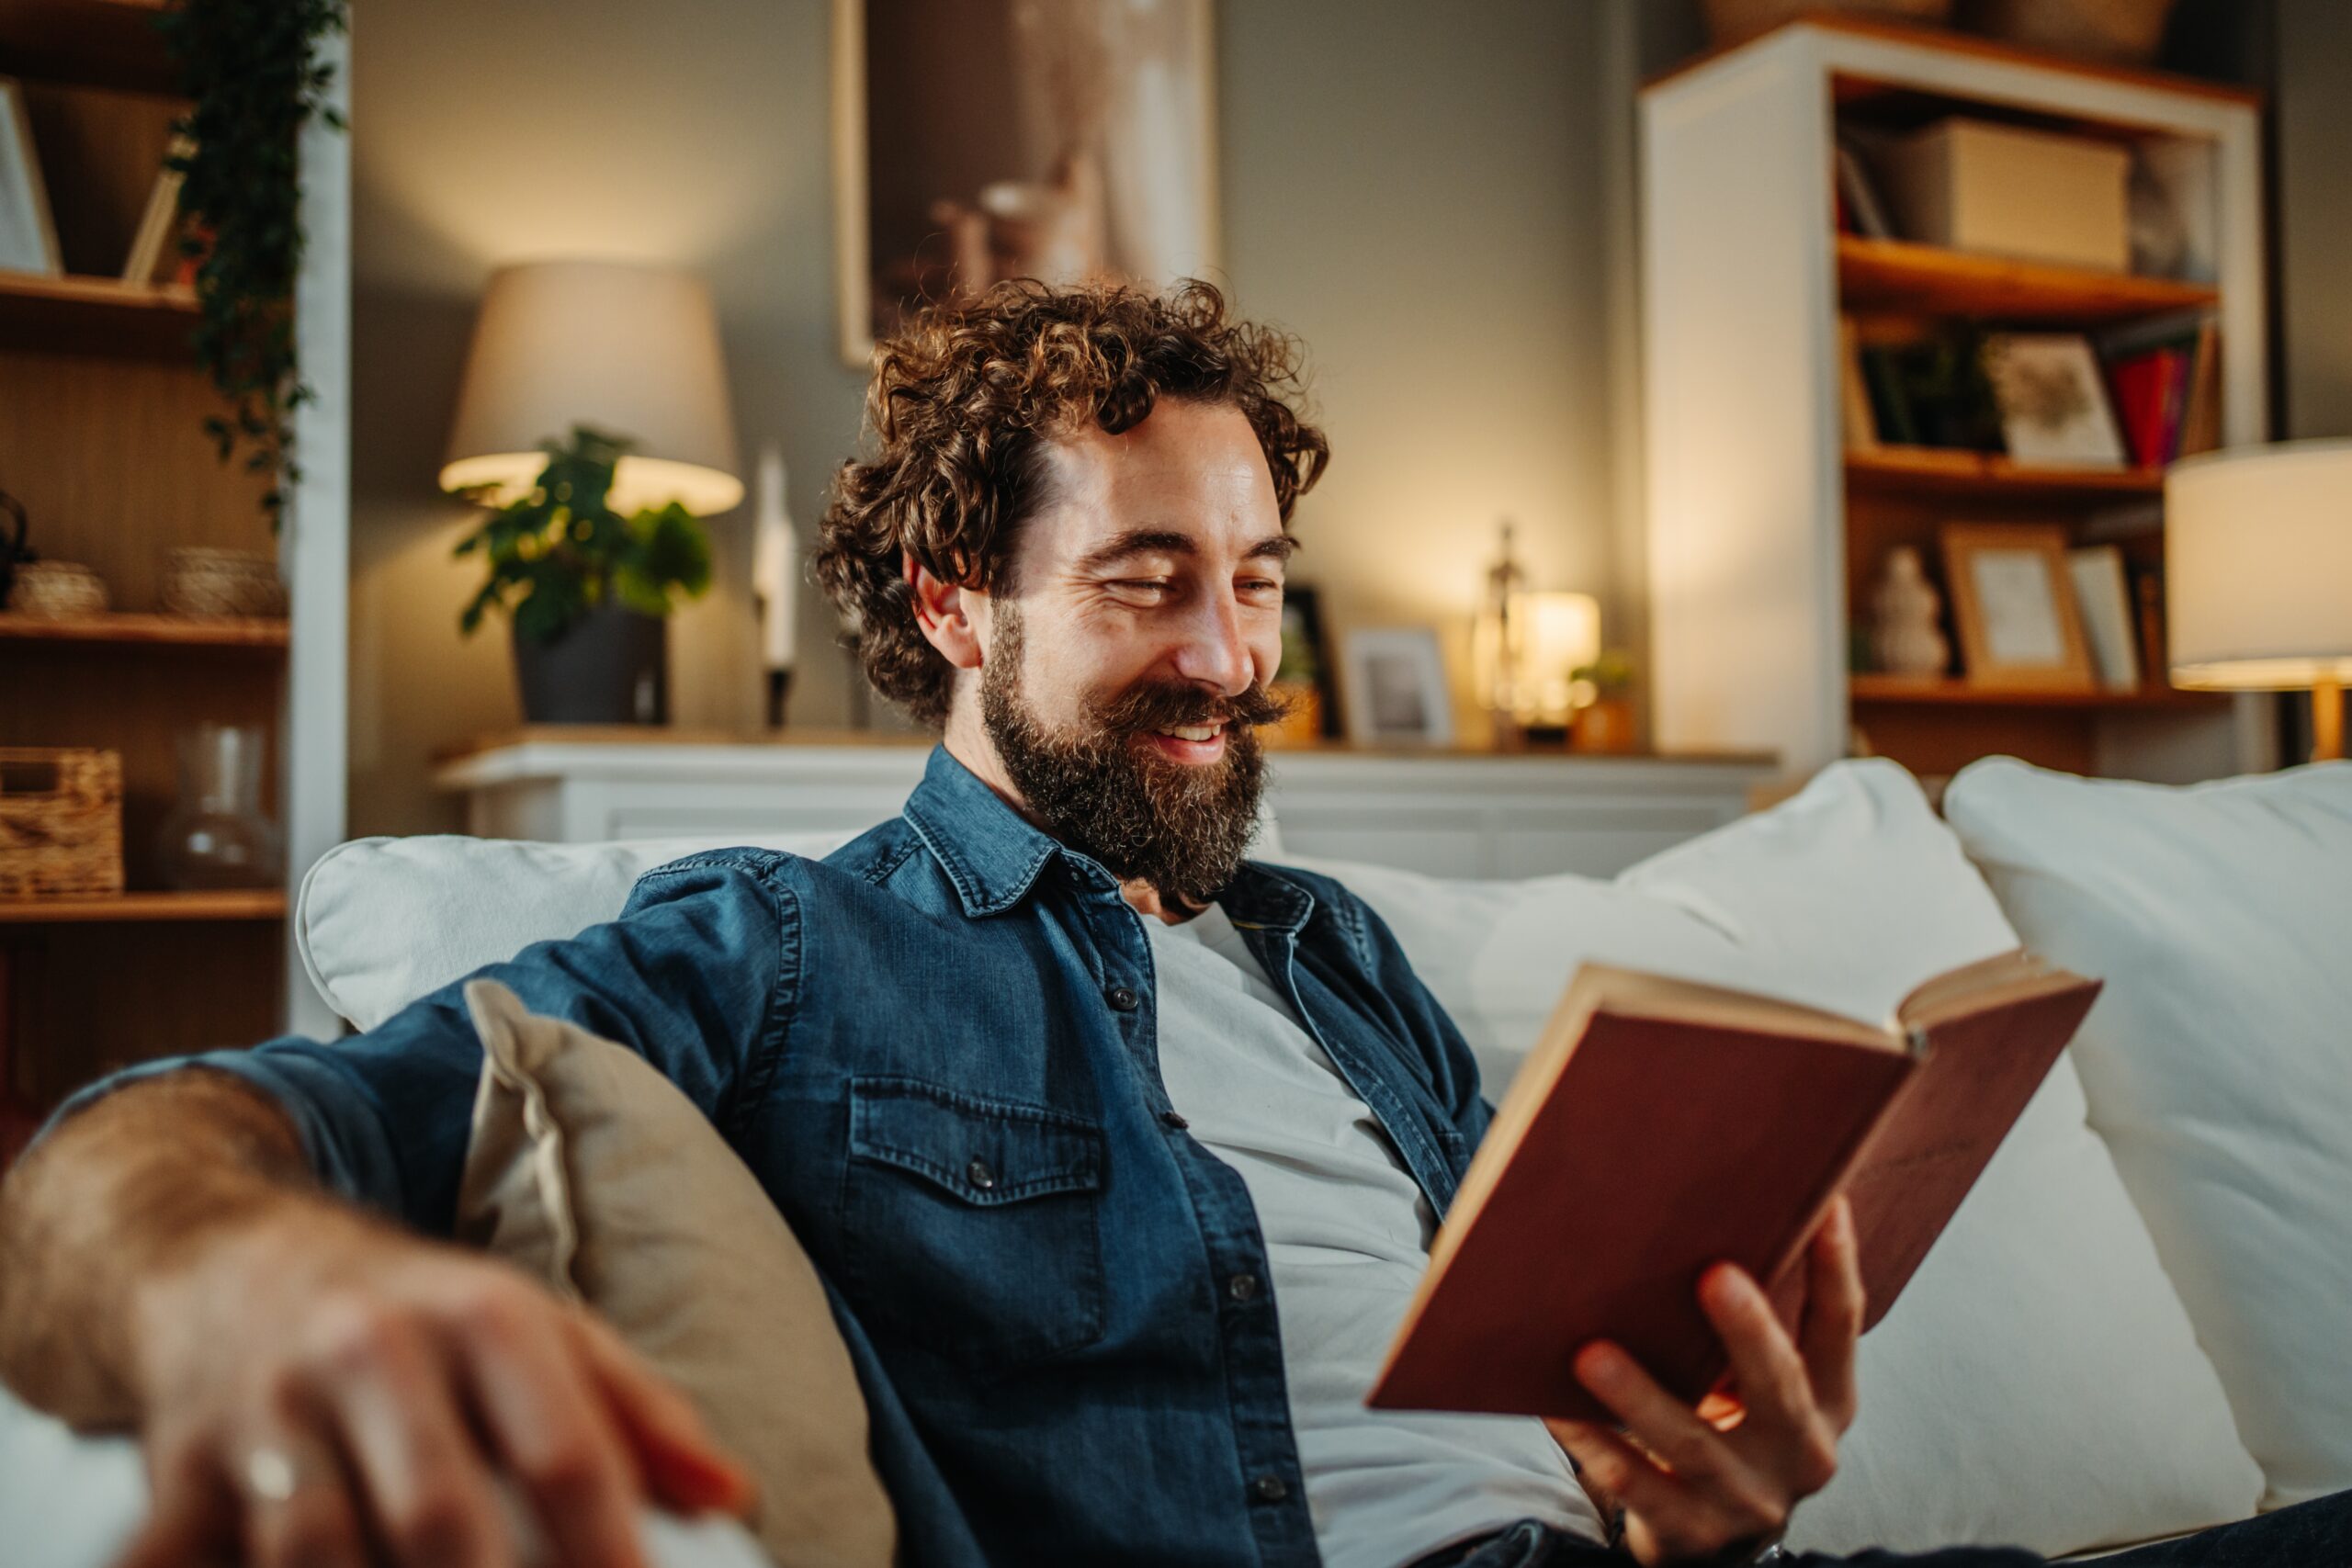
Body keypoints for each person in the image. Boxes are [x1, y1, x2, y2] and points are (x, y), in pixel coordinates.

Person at [0, 279, 2342, 1568]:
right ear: (951, 604)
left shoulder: (1331, 954)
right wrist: (253, 1274)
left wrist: (1699, 1504)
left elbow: (1561, 1447)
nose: (1227, 652)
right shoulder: (778, 949)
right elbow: (135, 1154)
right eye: (1141, 580)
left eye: (1251, 581)